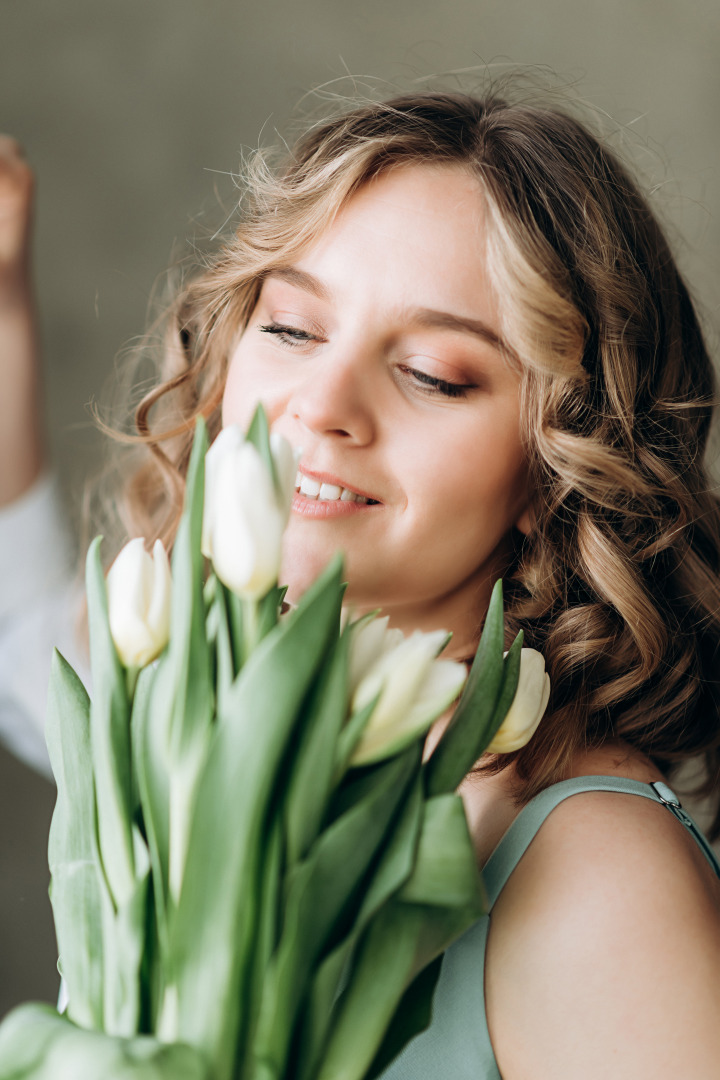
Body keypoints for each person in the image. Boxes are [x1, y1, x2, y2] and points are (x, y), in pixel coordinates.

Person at [3, 89, 720, 1076]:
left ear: (562, 462)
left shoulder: (597, 878)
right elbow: (25, 629)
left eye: (432, 373)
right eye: (293, 328)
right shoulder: (221, 732)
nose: (321, 406)